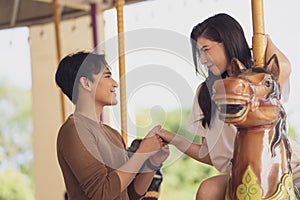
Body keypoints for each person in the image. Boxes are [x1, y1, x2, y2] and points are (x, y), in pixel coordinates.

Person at [157, 13, 300, 199]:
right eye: (199, 53)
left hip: (285, 168)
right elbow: (208, 154)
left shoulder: (259, 77)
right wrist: (171, 137)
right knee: (207, 191)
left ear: (227, 41)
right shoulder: (205, 94)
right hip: (241, 173)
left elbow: (282, 66)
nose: (202, 60)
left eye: (206, 49)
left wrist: (264, 39)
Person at [55, 51, 169, 200]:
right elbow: (102, 194)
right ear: (86, 83)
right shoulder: (74, 131)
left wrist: (152, 162)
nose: (115, 83)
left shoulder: (113, 134)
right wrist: (142, 152)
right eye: (107, 76)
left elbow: (129, 194)